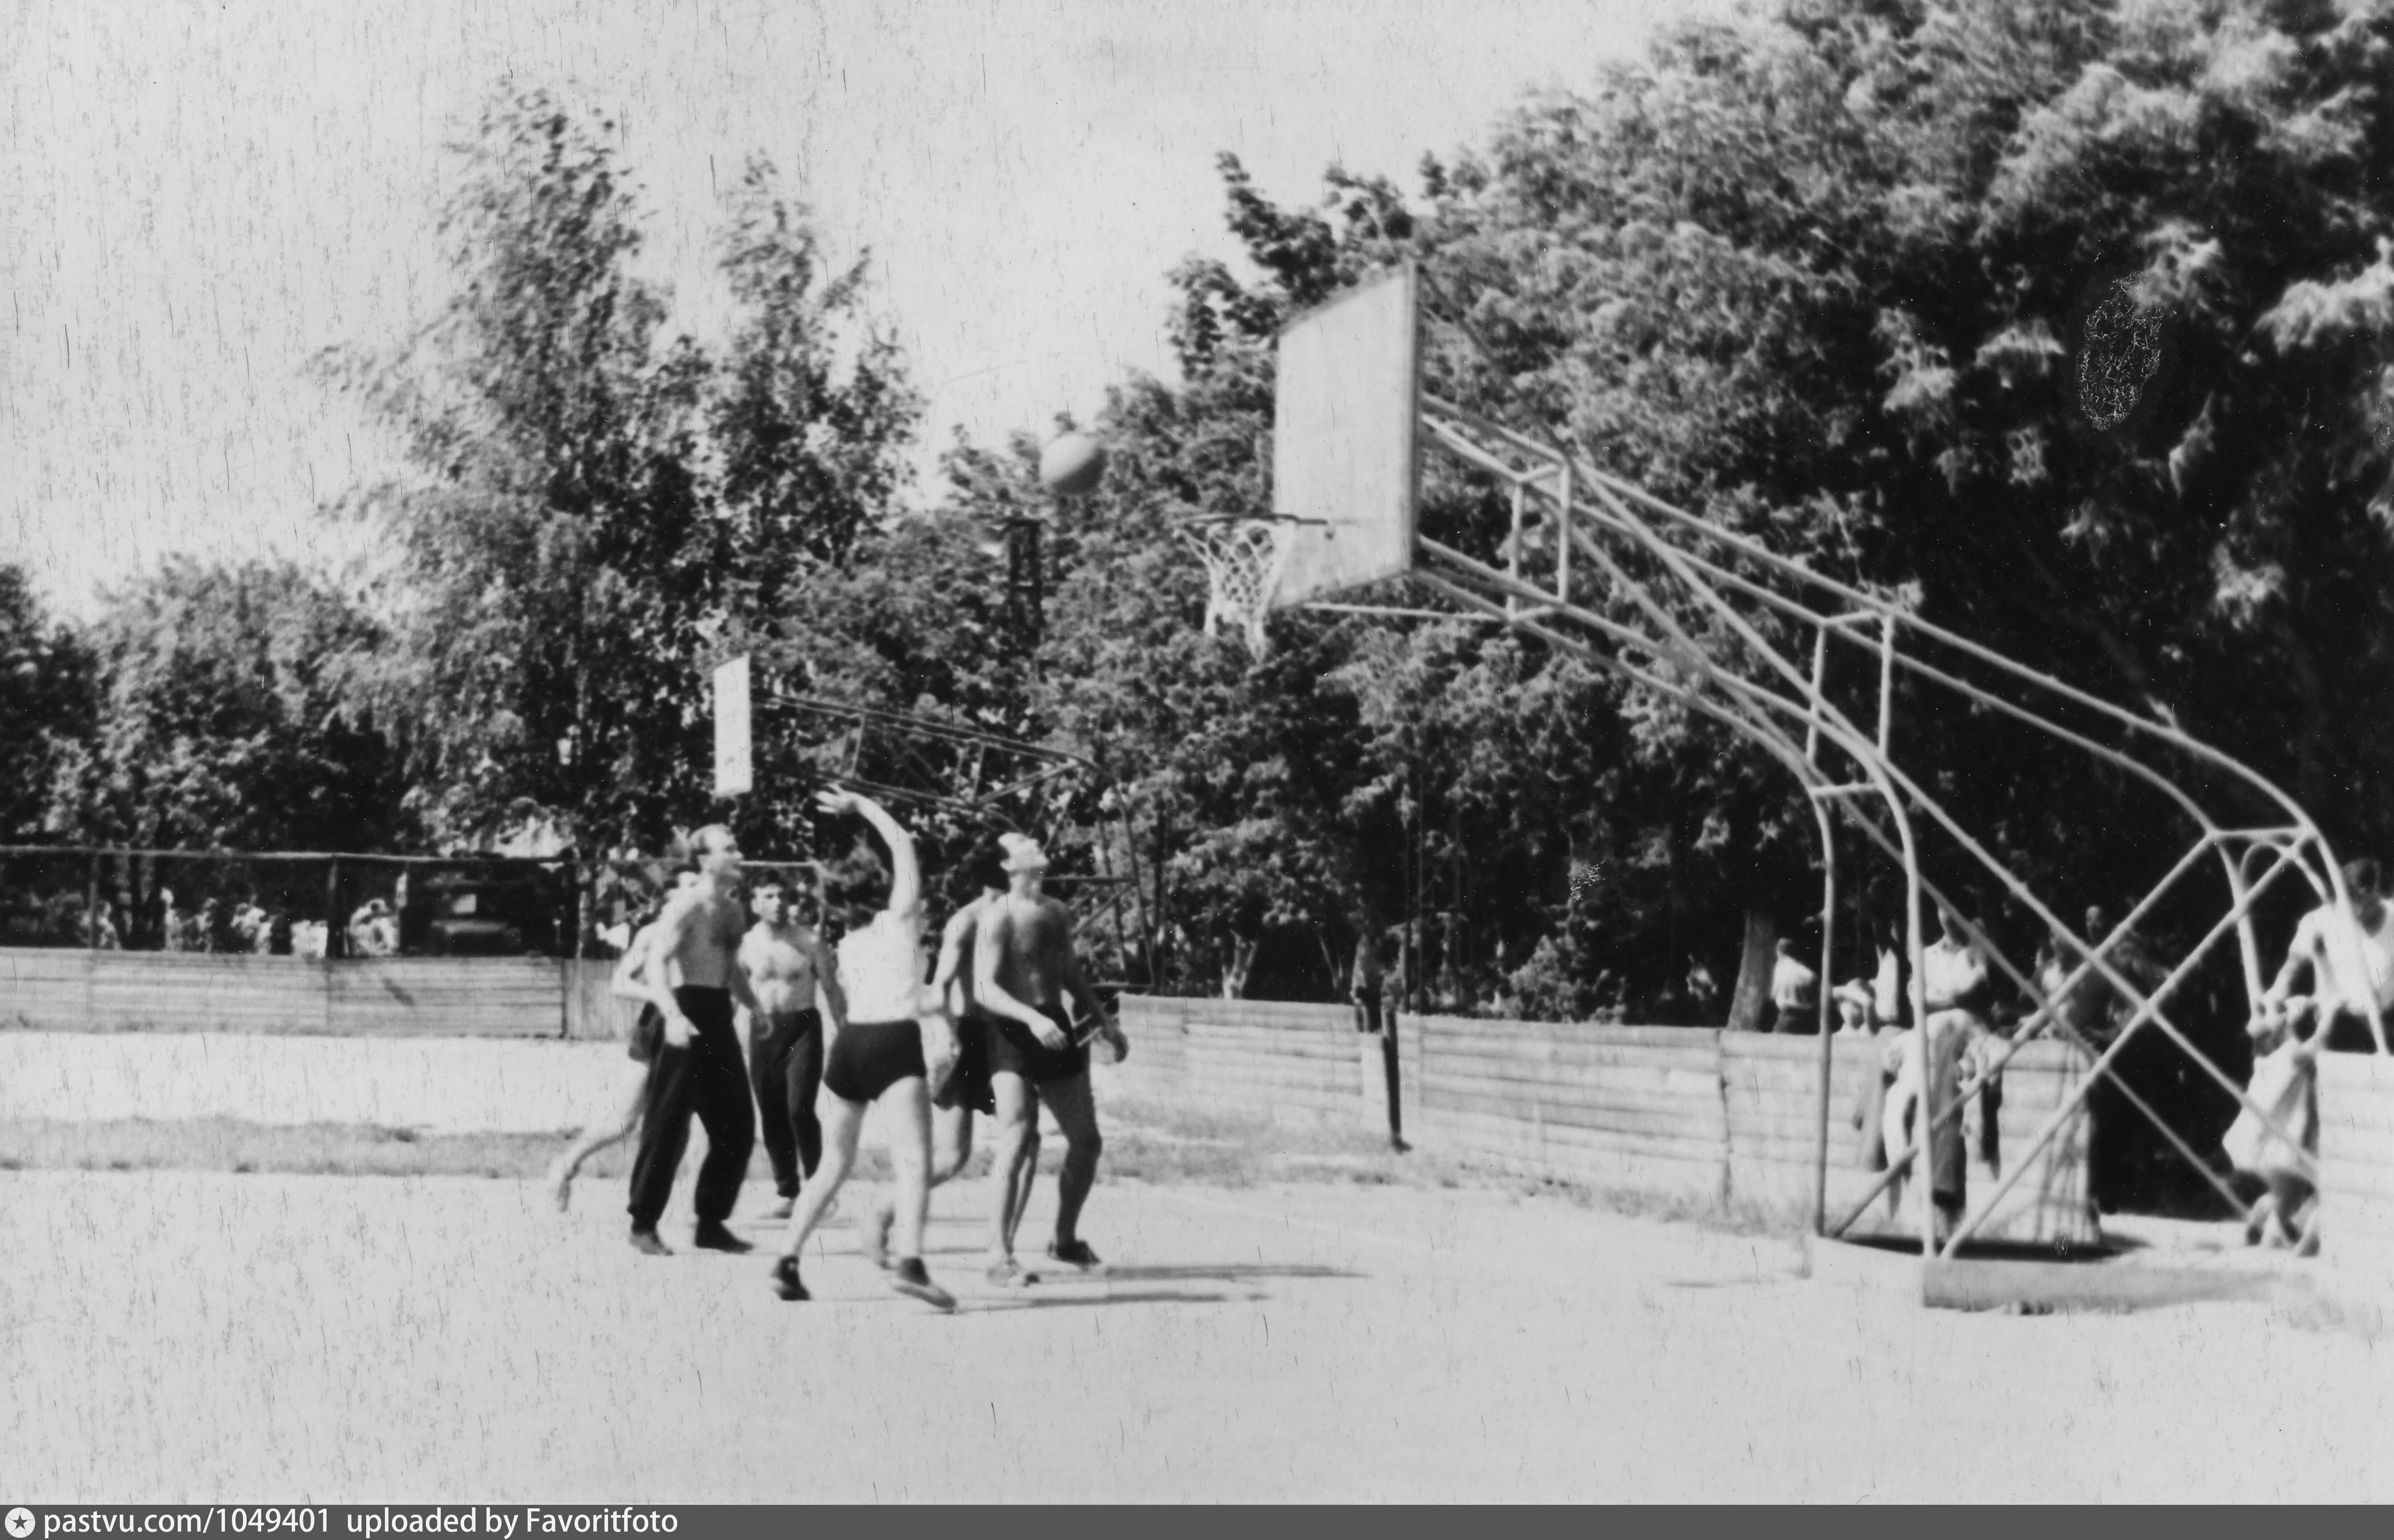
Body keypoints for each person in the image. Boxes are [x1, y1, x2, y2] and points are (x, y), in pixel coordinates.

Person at [770, 789, 956, 1310]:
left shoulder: (848, 942)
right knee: (914, 1160)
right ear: (882, 886)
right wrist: (863, 806)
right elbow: (903, 843)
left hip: (849, 1045)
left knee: (833, 1162)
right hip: (893, 1042)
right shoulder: (898, 921)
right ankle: (911, 1263)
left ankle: (787, 1258)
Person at [856, 837, 1042, 1277]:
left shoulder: (1018, 915)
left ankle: (1002, 1250)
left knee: (1025, 1138)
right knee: (952, 1156)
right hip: (968, 1037)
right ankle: (882, 1212)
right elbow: (940, 985)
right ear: (997, 871)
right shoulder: (967, 921)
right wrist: (941, 1034)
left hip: (1000, 1035)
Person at [974, 831, 1131, 1284]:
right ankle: (997, 1255)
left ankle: (1064, 1239)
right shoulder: (997, 916)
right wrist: (1030, 1019)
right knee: (1018, 1137)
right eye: (1019, 840)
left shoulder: (1056, 911)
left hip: (1054, 1022)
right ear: (1008, 865)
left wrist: (1104, 1019)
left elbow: (1069, 972)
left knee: (1087, 1141)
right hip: (1013, 1029)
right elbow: (985, 987)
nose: (1032, 840)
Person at [2231, 859, 2394, 1252]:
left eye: (2369, 904)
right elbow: (2291, 969)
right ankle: (2288, 1217)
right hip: (2335, 1026)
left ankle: (2284, 1215)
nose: (2363, 914)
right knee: (2315, 1126)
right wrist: (2274, 999)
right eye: (2356, 906)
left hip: (2381, 1025)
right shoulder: (2324, 921)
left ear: (2378, 893)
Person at [626, 829, 764, 1257]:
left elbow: (732, 968)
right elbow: (655, 962)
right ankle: (643, 1223)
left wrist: (755, 1008)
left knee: (737, 1127)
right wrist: (671, 1016)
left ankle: (711, 1222)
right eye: (730, 849)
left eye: (738, 847)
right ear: (704, 860)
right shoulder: (688, 905)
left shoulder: (734, 909)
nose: (740, 854)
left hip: (718, 1012)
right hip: (685, 1011)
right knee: (668, 1125)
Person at [545, 868, 699, 1212]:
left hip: (697, 1028)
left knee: (694, 1120)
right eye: (690, 887)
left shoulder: (707, 933)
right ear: (671, 896)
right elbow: (620, 983)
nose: (698, 894)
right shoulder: (653, 933)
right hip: (657, 1027)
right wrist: (663, 996)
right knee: (624, 1120)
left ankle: (695, 1205)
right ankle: (567, 1164)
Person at [1881, 901, 1992, 1242]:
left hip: (1961, 1028)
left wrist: (1940, 1001)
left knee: (1944, 1063)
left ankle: (1943, 1189)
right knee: (1892, 1068)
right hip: (1928, 1028)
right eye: (1944, 912)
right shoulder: (1927, 955)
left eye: (1954, 913)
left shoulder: (1976, 952)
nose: (1949, 919)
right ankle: (1889, 1183)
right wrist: (1940, 1001)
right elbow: (1917, 997)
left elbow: (1974, 992)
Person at [740, 874, 845, 1222]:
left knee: (799, 1108)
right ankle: (787, 1192)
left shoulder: (810, 941)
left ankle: (820, 1190)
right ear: (756, 904)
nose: (778, 902)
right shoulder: (746, 944)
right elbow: (732, 989)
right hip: (763, 1030)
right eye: (768, 896)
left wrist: (845, 1031)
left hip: (802, 1027)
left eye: (783, 895)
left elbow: (831, 988)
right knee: (771, 1112)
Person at [1766, 937, 1817, 1034]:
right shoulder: (1808, 973)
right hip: (1808, 1018)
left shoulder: (1781, 967)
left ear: (1779, 952)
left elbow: (1773, 994)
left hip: (1788, 1016)